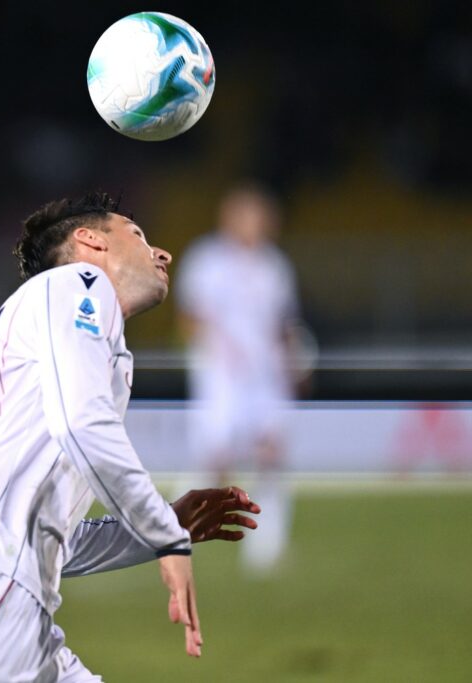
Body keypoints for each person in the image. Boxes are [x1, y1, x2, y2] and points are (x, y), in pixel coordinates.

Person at [0, 192, 261, 682]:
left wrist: (163, 524)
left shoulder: (71, 334)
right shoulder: (76, 283)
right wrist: (164, 536)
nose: (162, 253)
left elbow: (50, 536)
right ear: (90, 241)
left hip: (1, 600)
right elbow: (82, 423)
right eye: (138, 235)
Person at [176, 182, 305, 574]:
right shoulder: (206, 261)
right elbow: (190, 317)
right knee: (215, 459)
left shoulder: (274, 266)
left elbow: (283, 324)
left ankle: (267, 546)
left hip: (266, 377)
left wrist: (293, 364)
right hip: (221, 378)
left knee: (271, 453)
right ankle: (173, 528)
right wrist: (212, 352)